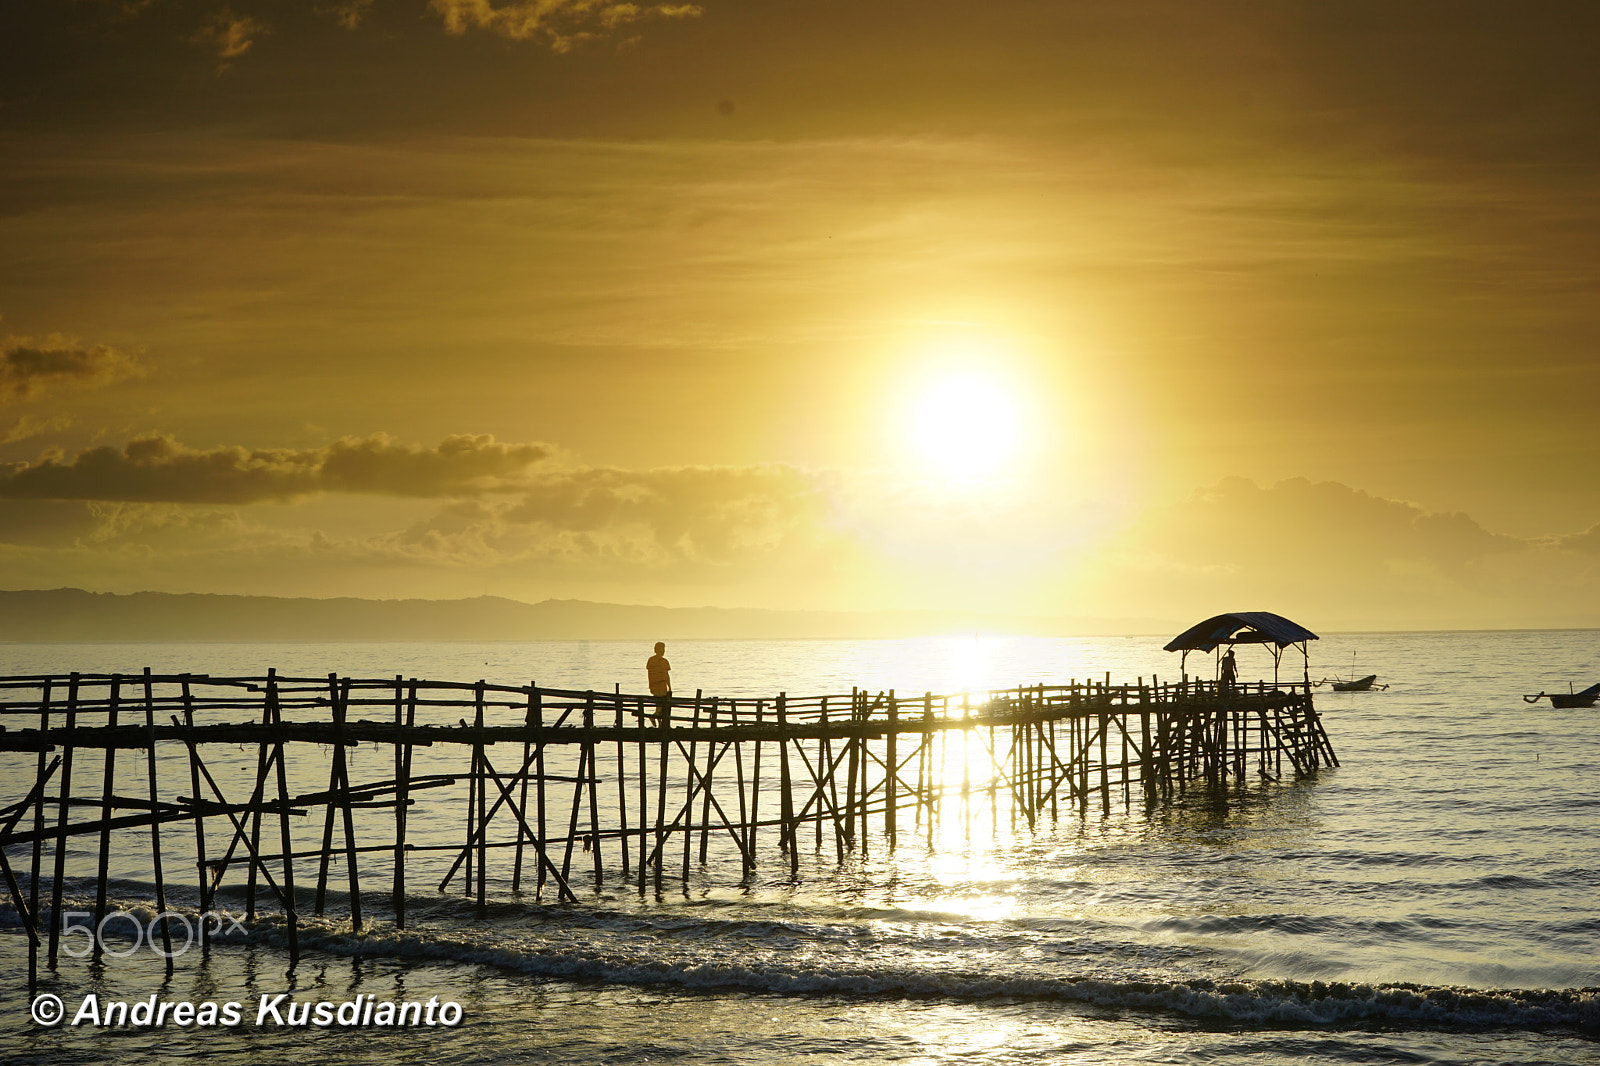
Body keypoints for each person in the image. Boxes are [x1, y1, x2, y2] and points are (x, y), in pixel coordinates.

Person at [646, 641, 671, 720]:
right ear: (656, 650)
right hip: (657, 685)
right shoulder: (652, 660)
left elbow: (667, 676)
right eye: (661, 650)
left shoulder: (664, 661)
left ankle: (658, 721)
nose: (663, 651)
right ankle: (654, 716)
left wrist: (669, 687)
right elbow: (651, 674)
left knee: (659, 705)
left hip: (661, 685)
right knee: (662, 703)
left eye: (663, 650)